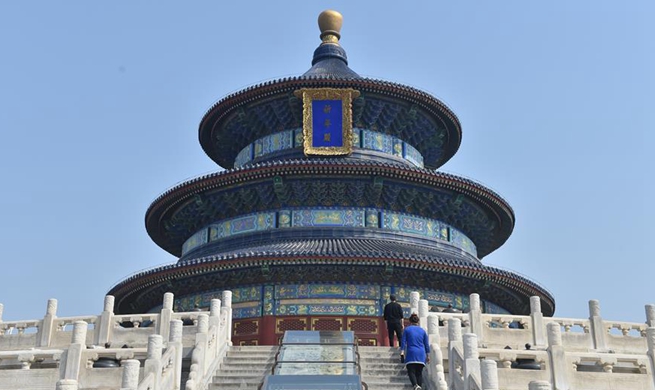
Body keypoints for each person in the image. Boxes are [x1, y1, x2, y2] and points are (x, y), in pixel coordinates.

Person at [401, 313, 430, 390]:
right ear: (418, 322)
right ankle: (418, 387)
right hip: (421, 353)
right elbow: (426, 344)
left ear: (410, 321)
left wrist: (402, 352)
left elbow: (403, 342)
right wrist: (428, 355)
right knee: (419, 373)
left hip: (411, 353)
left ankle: (415, 385)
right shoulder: (423, 331)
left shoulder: (407, 329)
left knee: (411, 371)